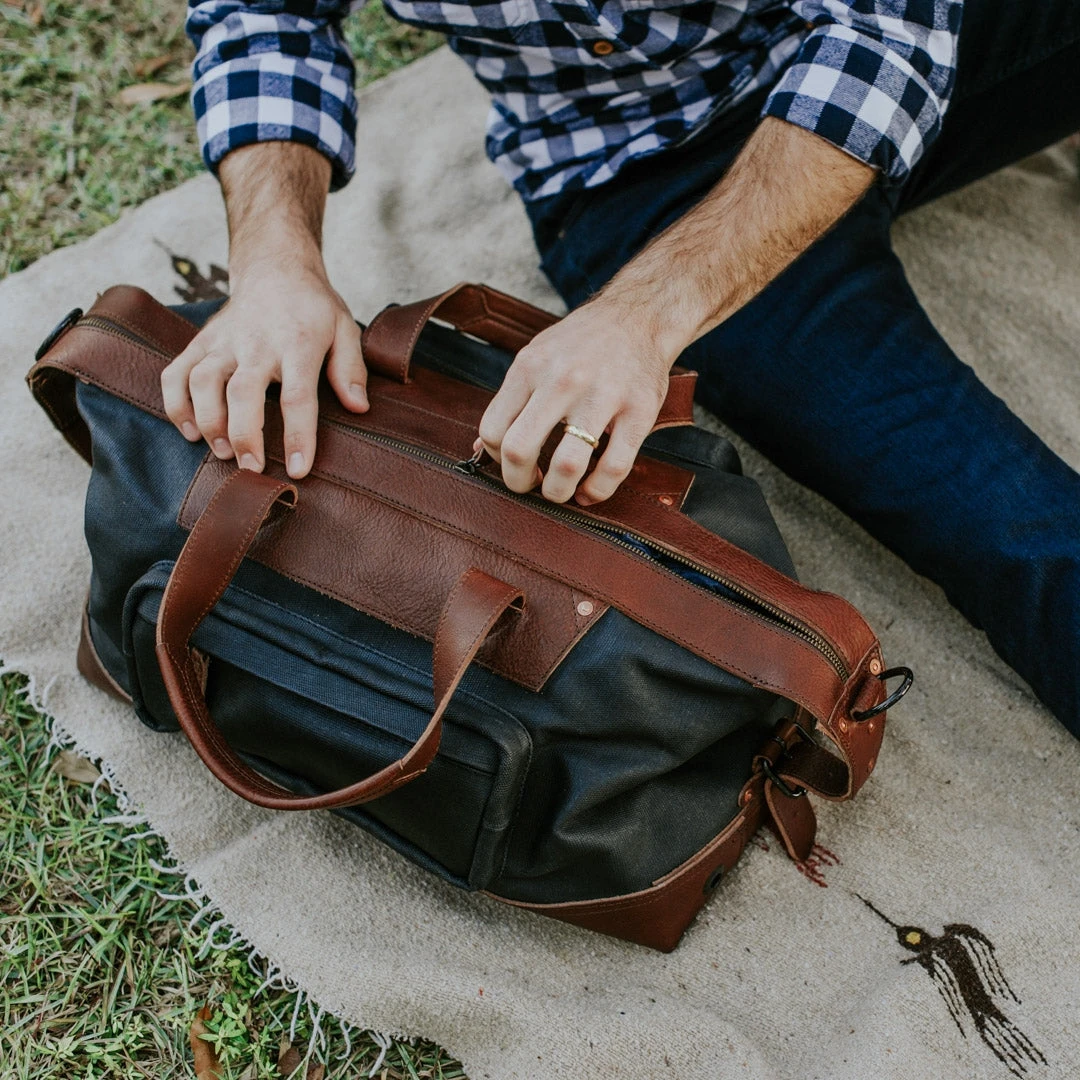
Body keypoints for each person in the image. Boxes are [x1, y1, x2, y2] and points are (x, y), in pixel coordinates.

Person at [163, 0, 1080, 733]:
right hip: (636, 170)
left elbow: (887, 32)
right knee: (1020, 530)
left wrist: (646, 317)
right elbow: (261, 14)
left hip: (871, 38)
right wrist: (275, 261)